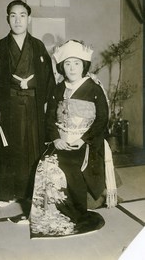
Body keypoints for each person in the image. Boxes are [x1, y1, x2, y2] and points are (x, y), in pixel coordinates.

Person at [30, 40, 117, 238]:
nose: (72, 68)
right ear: (62, 66)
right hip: (62, 138)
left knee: (70, 166)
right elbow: (50, 117)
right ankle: (53, 211)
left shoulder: (94, 88)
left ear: (84, 65)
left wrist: (84, 139)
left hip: (87, 140)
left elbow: (103, 118)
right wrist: (55, 139)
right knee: (46, 163)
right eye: (67, 64)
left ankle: (78, 213)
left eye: (76, 63)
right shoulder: (58, 88)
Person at [0, 0, 55, 217]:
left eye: (22, 15)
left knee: (33, 149)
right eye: (13, 15)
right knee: (8, 149)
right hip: (8, 105)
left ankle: (31, 192)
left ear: (29, 18)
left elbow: (48, 78)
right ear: (7, 18)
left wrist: (46, 102)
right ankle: (6, 193)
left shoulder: (38, 46)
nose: (18, 20)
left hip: (34, 105)